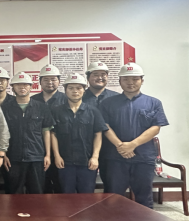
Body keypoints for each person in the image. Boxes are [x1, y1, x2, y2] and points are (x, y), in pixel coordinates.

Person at [100, 63, 169, 209]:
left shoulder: (154, 103)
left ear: (142, 80)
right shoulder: (107, 103)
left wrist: (132, 145)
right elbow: (105, 126)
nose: (130, 82)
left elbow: (156, 128)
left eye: (135, 79)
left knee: (144, 196)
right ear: (119, 81)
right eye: (126, 79)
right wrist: (120, 146)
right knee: (112, 197)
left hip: (143, 158)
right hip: (115, 157)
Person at [51, 73, 108, 194]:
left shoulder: (93, 111)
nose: (75, 91)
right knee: (66, 196)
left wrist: (95, 157)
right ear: (65, 90)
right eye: (71, 88)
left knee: (87, 197)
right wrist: (57, 156)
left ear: (84, 90)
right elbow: (53, 134)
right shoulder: (56, 111)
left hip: (87, 162)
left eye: (78, 88)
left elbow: (98, 134)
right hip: (64, 162)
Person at [2, 72, 55, 195]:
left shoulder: (41, 107)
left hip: (36, 157)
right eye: (18, 85)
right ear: (13, 87)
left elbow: (46, 131)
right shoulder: (5, 108)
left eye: (26, 84)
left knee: (37, 193)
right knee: (14, 194)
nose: (22, 87)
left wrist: (47, 155)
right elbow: (1, 133)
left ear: (31, 87)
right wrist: (3, 155)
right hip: (13, 158)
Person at [83, 61, 119, 192]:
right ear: (88, 78)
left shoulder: (117, 98)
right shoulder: (79, 97)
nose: (100, 77)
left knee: (112, 185)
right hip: (86, 148)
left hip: (111, 149)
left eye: (103, 74)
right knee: (85, 187)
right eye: (95, 74)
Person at [31, 64, 66, 194]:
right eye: (46, 79)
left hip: (62, 150)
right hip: (38, 150)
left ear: (59, 81)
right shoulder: (32, 100)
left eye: (53, 79)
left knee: (61, 185)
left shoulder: (66, 99)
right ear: (40, 82)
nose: (50, 82)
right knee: (41, 186)